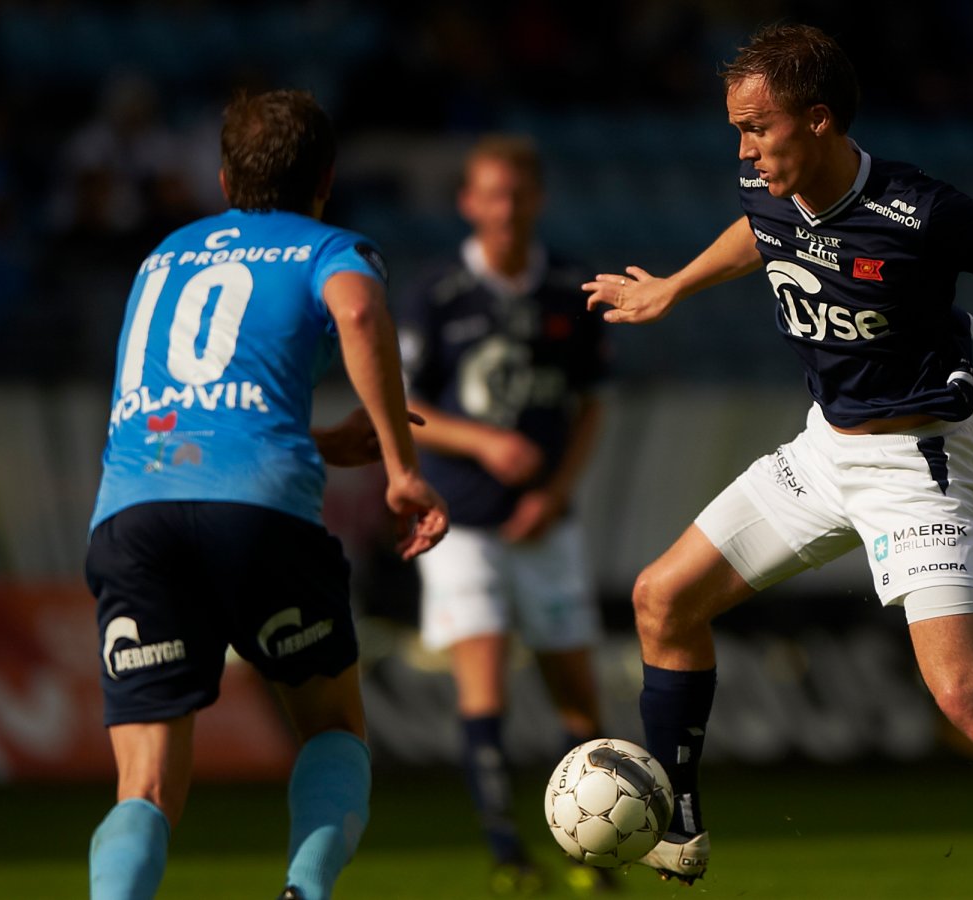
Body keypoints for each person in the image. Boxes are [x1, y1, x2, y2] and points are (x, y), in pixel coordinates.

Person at [582, 24, 973, 900]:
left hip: (918, 469)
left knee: (967, 698)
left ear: (818, 120)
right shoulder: (768, 183)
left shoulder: (921, 212)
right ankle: (678, 824)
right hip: (823, 452)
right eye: (737, 130)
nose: (743, 150)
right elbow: (761, 230)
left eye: (757, 128)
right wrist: (673, 284)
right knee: (662, 598)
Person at [84, 88, 449, 900]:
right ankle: (303, 891)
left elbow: (186, 414)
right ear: (327, 179)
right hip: (260, 519)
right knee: (332, 725)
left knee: (144, 783)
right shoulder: (331, 247)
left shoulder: (162, 256)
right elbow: (359, 313)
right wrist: (399, 467)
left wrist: (313, 442)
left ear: (223, 180)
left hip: (133, 516)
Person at [395, 134, 613, 894]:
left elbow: (591, 405)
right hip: (460, 522)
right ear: (468, 202)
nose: (506, 208)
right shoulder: (439, 291)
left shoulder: (568, 288)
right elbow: (406, 406)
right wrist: (486, 443)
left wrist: (554, 493)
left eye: (517, 194)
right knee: (483, 680)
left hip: (545, 521)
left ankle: (594, 850)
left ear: (537, 199)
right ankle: (508, 855)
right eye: (491, 194)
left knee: (575, 690)